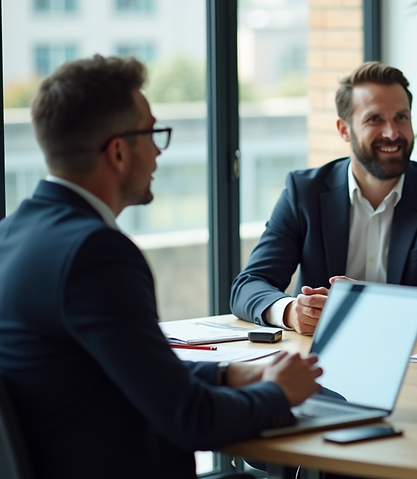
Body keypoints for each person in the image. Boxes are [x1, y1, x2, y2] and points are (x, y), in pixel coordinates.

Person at [0, 55, 322, 479]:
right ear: (117, 151)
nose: (157, 150)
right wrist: (278, 392)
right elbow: (190, 418)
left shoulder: (14, 232)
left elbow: (137, 372)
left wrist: (232, 373)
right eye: (152, 133)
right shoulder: (96, 253)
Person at [231, 61, 417, 334]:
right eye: (375, 119)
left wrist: (363, 304)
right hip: (318, 358)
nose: (392, 133)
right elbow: (248, 285)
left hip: (410, 355)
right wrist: (289, 312)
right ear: (344, 130)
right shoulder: (304, 192)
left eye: (401, 118)